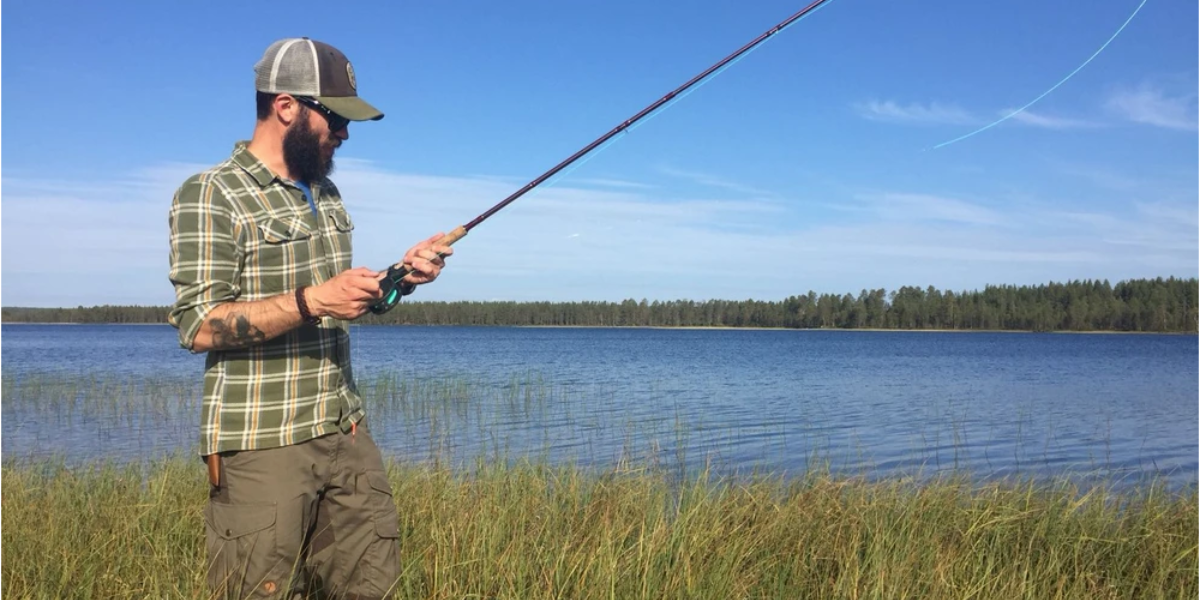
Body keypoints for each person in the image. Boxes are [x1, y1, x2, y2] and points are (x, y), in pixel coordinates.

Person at [168, 37, 451, 599]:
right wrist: (313, 300)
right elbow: (198, 323)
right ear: (287, 106)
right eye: (336, 118)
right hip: (263, 447)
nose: (345, 134)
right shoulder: (211, 193)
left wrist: (398, 282)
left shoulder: (326, 192)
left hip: (346, 431)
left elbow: (342, 305)